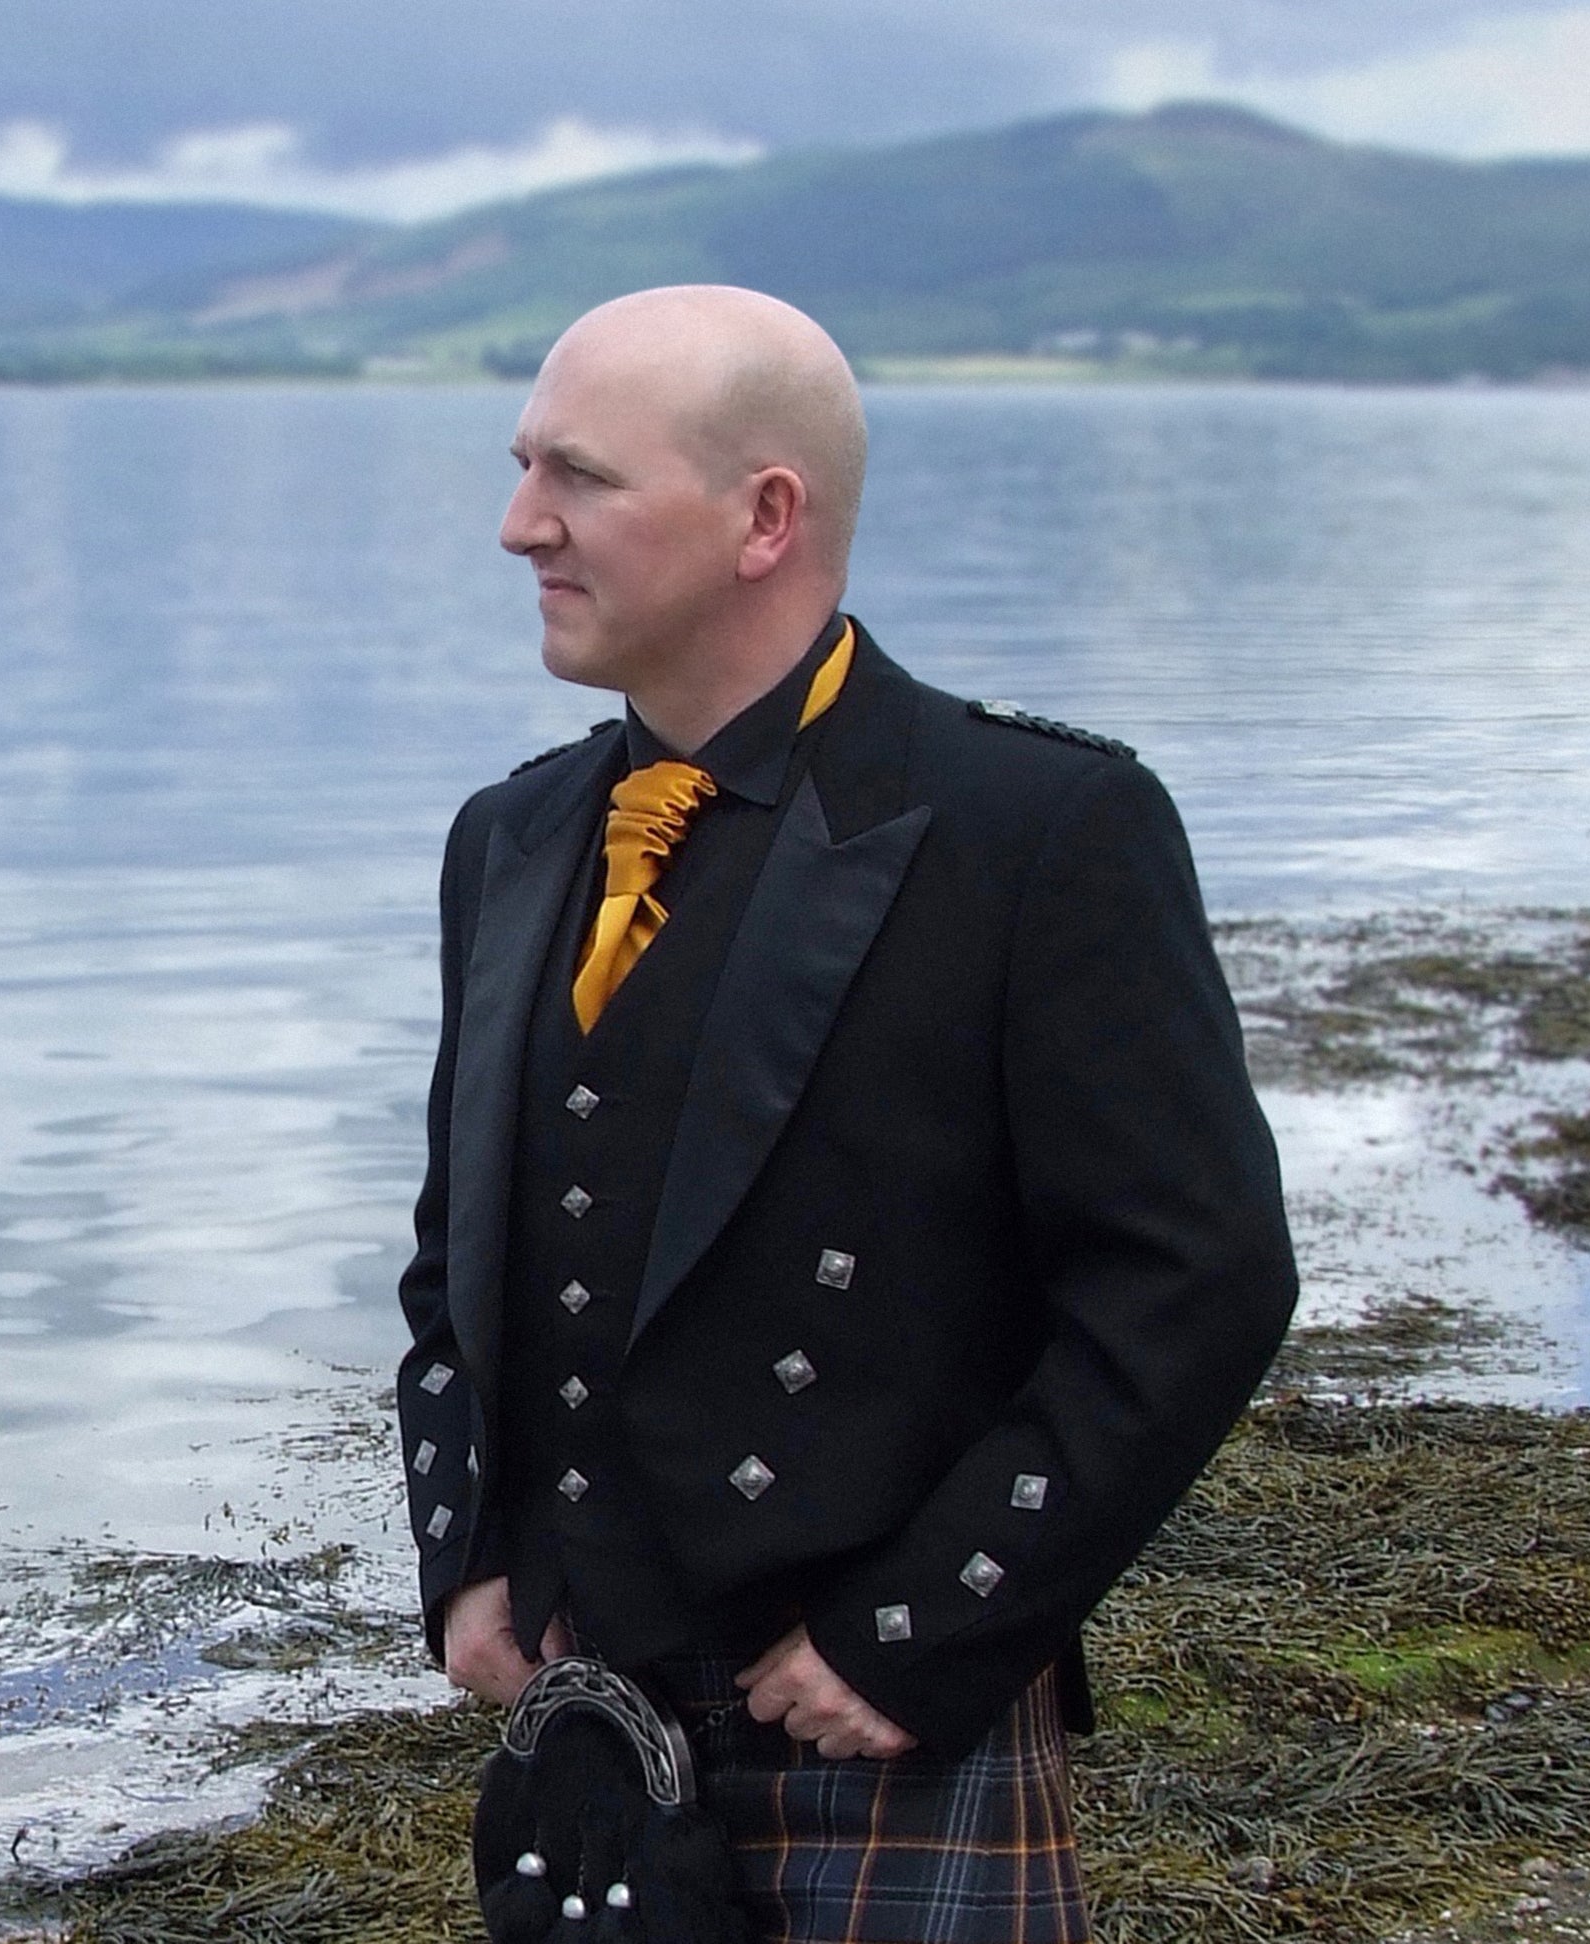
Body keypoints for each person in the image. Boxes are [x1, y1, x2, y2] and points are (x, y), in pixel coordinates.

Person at [395, 284, 1297, 1943]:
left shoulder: (1034, 830)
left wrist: (927, 1630)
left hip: (881, 1708)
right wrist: (461, 1551)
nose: (519, 524)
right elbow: (457, 1257)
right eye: (525, 467)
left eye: (577, 478)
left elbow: (1197, 1281)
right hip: (584, 1717)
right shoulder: (511, 841)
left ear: (765, 518)